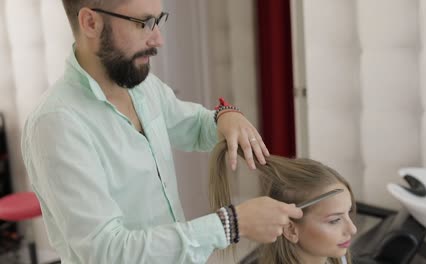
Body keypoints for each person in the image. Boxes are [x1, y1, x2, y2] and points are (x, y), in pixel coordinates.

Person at [20, 0, 303, 263]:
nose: (158, 39)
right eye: (143, 23)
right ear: (90, 23)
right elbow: (106, 251)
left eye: (158, 21)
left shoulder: (142, 86)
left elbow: (192, 125)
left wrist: (224, 117)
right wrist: (229, 224)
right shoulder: (57, 124)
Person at [209, 141, 358, 264]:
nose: (352, 229)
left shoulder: (338, 257)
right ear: (291, 230)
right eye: (335, 220)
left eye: (348, 213)